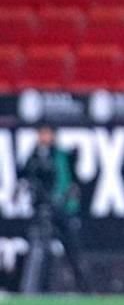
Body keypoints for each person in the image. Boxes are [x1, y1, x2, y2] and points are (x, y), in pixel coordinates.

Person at [19, 124, 88, 294]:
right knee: (39, 250)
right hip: (43, 209)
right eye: (42, 133)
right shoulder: (34, 157)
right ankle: (31, 291)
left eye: (47, 133)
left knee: (73, 250)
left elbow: (72, 181)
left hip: (62, 209)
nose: (44, 137)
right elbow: (25, 176)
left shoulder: (62, 156)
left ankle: (85, 289)